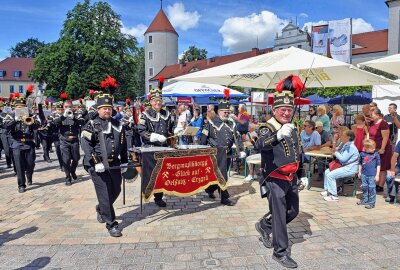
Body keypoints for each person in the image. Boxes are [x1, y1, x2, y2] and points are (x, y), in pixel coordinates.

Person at [255, 75, 303, 269]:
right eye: (282, 109)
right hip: (274, 178)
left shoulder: (292, 127)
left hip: (291, 177)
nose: (286, 113)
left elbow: (299, 151)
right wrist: (277, 136)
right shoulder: (267, 127)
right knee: (280, 215)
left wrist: (302, 174)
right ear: (275, 110)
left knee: (293, 211)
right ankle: (280, 253)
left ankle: (265, 225)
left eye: (289, 110)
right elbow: (261, 144)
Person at [81, 77, 127, 237]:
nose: (107, 111)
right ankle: (111, 224)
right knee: (105, 194)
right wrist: (95, 161)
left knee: (116, 189)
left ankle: (101, 208)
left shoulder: (117, 123)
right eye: (104, 109)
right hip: (97, 165)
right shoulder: (91, 124)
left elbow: (123, 143)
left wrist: (126, 161)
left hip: (114, 163)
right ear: (98, 109)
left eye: (109, 108)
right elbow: (86, 146)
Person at [200, 95, 246, 206]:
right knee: (222, 175)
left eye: (227, 112)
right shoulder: (211, 123)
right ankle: (224, 198)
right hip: (215, 154)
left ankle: (210, 189)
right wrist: (203, 152)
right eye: (223, 112)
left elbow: (237, 137)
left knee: (218, 175)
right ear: (218, 111)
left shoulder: (231, 123)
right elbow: (203, 139)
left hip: (228, 153)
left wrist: (241, 149)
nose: (226, 114)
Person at [137, 77, 173, 207]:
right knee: (152, 173)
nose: (158, 103)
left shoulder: (167, 113)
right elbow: (140, 130)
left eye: (159, 100)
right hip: (151, 147)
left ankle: (159, 197)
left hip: (164, 147)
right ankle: (149, 191)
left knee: (163, 173)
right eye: (155, 100)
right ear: (151, 101)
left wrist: (180, 130)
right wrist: (154, 136)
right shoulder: (145, 114)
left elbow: (171, 129)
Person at [3, 88, 39, 193]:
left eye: (23, 107)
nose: (21, 109)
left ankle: (29, 175)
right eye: (19, 107)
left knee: (31, 163)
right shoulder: (10, 115)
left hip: (28, 142)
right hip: (16, 143)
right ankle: (21, 185)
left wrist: (32, 121)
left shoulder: (31, 115)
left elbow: (38, 126)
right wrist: (15, 120)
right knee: (19, 166)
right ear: (15, 107)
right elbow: (6, 127)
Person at [52, 95, 85, 186]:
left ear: (72, 107)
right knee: (66, 160)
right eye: (66, 107)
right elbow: (54, 123)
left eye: (70, 106)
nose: (68, 108)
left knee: (76, 158)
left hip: (74, 140)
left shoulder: (76, 114)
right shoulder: (59, 115)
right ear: (63, 107)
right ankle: (68, 177)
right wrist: (63, 116)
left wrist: (73, 117)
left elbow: (82, 122)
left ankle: (72, 171)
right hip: (64, 140)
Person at [321, 130, 359, 202]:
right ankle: (328, 190)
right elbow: (335, 149)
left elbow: (343, 159)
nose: (341, 137)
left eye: (343, 136)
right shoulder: (345, 144)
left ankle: (334, 196)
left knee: (330, 175)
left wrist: (335, 152)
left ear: (348, 137)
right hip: (344, 166)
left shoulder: (351, 147)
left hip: (350, 168)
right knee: (327, 172)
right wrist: (334, 143)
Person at [369, 108, 392, 192]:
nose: (370, 116)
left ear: (378, 115)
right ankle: (376, 183)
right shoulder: (371, 122)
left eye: (372, 115)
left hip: (383, 148)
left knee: (382, 167)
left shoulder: (383, 123)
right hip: (374, 148)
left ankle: (380, 186)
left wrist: (382, 148)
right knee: (375, 166)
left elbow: (385, 137)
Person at [357, 139, 380, 209]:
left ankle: (372, 203)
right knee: (364, 187)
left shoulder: (376, 154)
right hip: (364, 174)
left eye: (374, 147)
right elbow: (360, 164)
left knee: (372, 188)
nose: (374, 149)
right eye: (371, 148)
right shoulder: (362, 154)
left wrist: (377, 175)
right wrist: (359, 172)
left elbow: (378, 165)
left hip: (372, 175)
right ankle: (365, 200)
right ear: (366, 148)